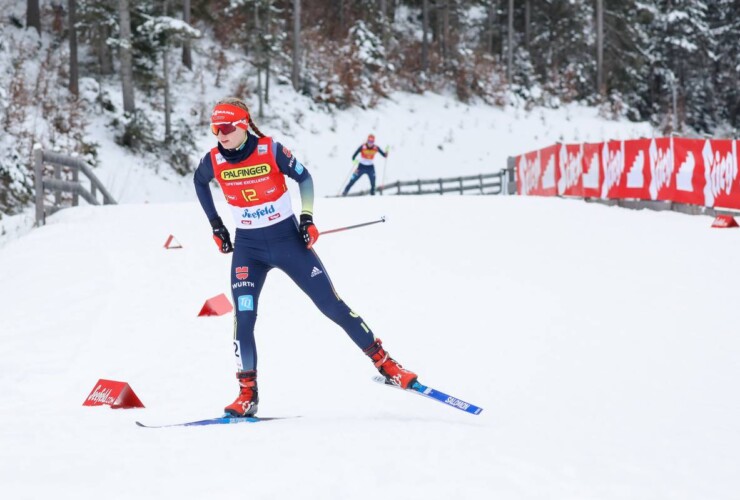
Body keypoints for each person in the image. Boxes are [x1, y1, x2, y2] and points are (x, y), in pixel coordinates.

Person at [193, 98, 417, 417]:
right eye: (215, 127)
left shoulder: (270, 150)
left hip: (287, 242)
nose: (220, 134)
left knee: (331, 305)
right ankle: (247, 394)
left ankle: (387, 364)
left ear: (243, 126)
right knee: (243, 317)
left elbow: (305, 178)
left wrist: (307, 218)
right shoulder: (213, 160)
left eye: (226, 127)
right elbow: (199, 183)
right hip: (248, 250)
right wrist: (217, 226)